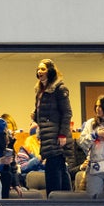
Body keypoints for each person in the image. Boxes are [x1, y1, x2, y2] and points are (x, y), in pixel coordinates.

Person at [32, 59, 73, 196]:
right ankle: (64, 199)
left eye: (43, 69)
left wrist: (62, 134)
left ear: (50, 71)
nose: (39, 72)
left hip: (56, 137)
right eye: (38, 69)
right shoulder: (40, 91)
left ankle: (56, 200)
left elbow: (67, 113)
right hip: (47, 137)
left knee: (54, 173)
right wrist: (35, 116)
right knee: (58, 169)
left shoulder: (59, 89)